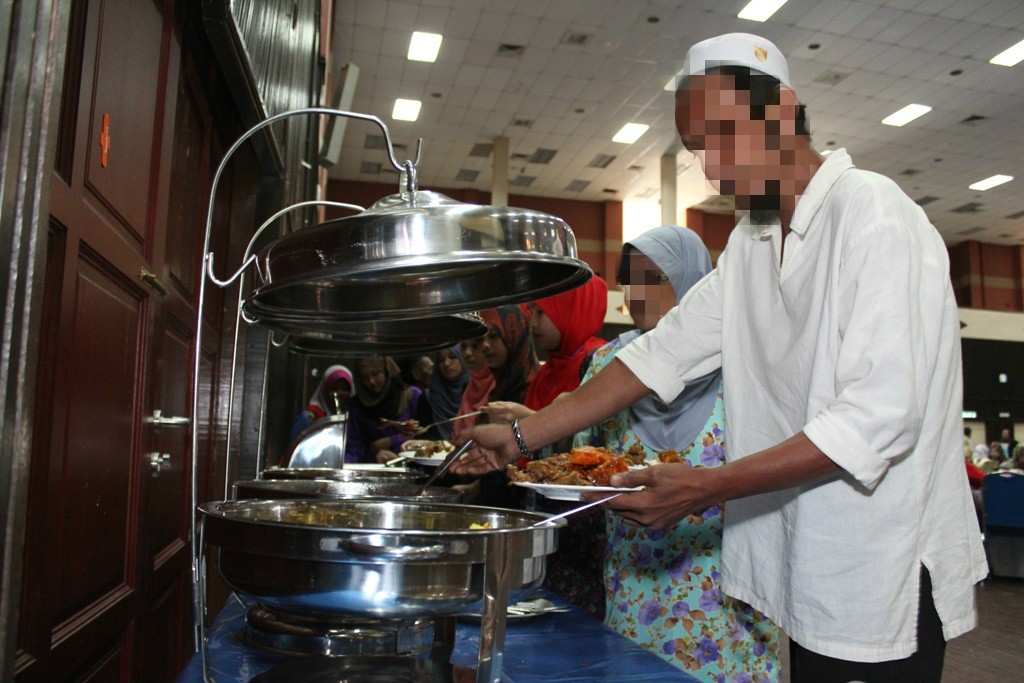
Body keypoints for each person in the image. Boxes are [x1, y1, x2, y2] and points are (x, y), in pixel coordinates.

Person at [453, 32, 986, 683]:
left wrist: (707, 487)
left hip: (885, 569)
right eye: (702, 149)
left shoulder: (873, 216)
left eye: (724, 136)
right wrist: (518, 434)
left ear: (783, 110)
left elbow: (879, 417)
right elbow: (657, 356)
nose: (713, 169)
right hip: (817, 567)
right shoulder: (754, 241)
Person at [569, 225, 780, 677]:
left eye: (654, 278)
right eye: (631, 279)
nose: (637, 293)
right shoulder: (608, 366)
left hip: (728, 609)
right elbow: (578, 465)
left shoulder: (744, 366)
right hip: (633, 593)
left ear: (695, 283)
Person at [522, 276, 608, 411]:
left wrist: (524, 417)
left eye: (540, 312)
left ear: (568, 310)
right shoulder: (547, 372)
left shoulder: (599, 363)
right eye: (530, 311)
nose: (532, 323)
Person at [346, 355, 436, 463]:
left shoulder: (411, 396)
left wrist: (391, 441)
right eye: (365, 377)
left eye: (375, 374)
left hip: (413, 469)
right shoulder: (357, 406)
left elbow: (427, 437)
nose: (372, 381)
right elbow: (354, 449)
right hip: (375, 472)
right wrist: (374, 456)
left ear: (386, 369)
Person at [288, 364, 355, 443]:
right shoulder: (309, 419)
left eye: (345, 389)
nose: (339, 393)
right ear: (324, 391)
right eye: (334, 389)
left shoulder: (355, 420)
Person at [452, 337, 493, 441]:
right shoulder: (469, 387)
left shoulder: (503, 387)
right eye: (464, 346)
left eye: (475, 346)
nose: (467, 353)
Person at [427, 346, 469, 439]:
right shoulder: (429, 397)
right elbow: (424, 436)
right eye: (441, 360)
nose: (446, 363)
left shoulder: (474, 392)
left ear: (462, 359)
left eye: (452, 357)